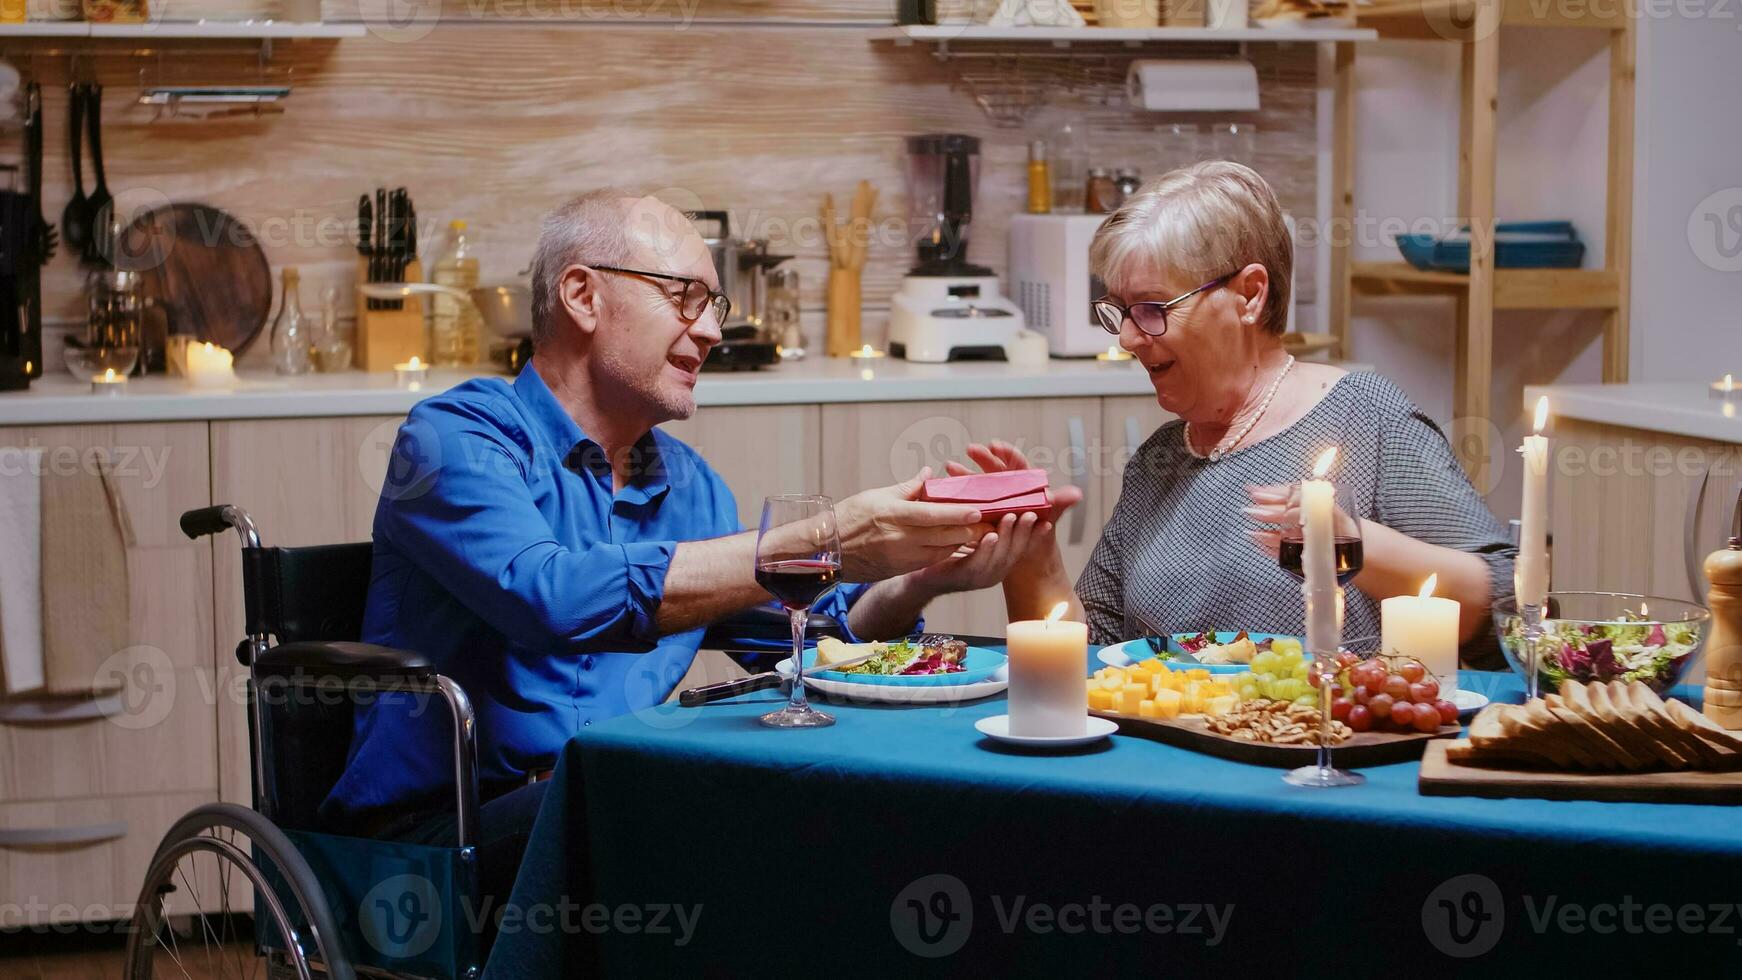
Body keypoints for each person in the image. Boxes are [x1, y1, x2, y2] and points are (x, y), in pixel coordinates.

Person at [319, 190, 1054, 930]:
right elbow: (550, 599)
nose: (709, 331)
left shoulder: (689, 485)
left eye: (715, 306)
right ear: (582, 294)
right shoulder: (454, 438)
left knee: (796, 796)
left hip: (606, 805)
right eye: (685, 298)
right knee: (690, 799)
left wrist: (918, 577)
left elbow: (813, 642)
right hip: (445, 840)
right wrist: (827, 533)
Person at [970, 161, 1516, 664]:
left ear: (1250, 295)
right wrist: (1030, 553)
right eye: (1121, 312)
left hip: (1311, 754)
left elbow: (1503, 603)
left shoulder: (1366, 415)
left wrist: (1352, 545)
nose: (1130, 339)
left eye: (1153, 309)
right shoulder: (1162, 457)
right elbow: (1094, 661)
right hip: (1176, 758)